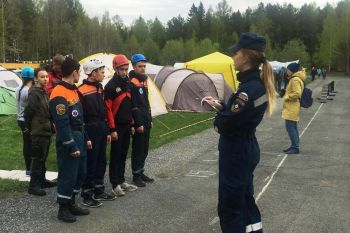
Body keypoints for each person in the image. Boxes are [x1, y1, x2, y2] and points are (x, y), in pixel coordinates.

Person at [203, 32, 276, 233]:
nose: (233, 57)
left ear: (244, 57)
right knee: (244, 200)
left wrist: (219, 118)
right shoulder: (256, 86)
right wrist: (222, 106)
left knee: (230, 206)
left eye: (235, 53)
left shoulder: (247, 90)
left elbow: (226, 124)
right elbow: (240, 115)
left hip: (236, 149)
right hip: (246, 145)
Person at [49, 57, 91, 223]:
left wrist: (86, 138)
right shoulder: (59, 93)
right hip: (69, 138)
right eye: (79, 71)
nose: (80, 74)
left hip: (79, 136)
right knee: (68, 174)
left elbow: (79, 118)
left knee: (80, 173)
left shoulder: (72, 90)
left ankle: (72, 202)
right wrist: (71, 145)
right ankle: (63, 208)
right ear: (74, 72)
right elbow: (62, 123)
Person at [78, 58, 116, 208]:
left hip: (101, 127)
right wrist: (86, 136)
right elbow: (80, 117)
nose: (104, 74)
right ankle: (87, 194)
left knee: (101, 161)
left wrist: (107, 130)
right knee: (90, 162)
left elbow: (104, 111)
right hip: (90, 129)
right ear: (93, 73)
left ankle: (99, 190)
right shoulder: (81, 91)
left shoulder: (100, 87)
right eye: (101, 71)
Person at [105, 54, 138, 196]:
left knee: (124, 154)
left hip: (126, 124)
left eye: (126, 69)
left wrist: (132, 123)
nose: (125, 72)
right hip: (116, 126)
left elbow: (130, 105)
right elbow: (108, 110)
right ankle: (114, 184)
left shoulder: (129, 84)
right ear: (115, 69)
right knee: (116, 155)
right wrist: (112, 129)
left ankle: (122, 179)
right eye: (122, 69)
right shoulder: (110, 86)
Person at [24, 68, 56, 196]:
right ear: (36, 78)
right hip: (38, 130)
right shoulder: (34, 93)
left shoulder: (43, 92)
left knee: (43, 157)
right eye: (42, 77)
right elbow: (29, 112)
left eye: (47, 77)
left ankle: (41, 180)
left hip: (46, 129)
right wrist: (30, 127)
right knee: (37, 158)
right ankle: (33, 185)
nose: (45, 79)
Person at [129, 54, 154, 187]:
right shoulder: (132, 82)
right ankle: (136, 175)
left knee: (145, 148)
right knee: (138, 148)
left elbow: (146, 102)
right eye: (140, 66)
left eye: (144, 66)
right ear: (134, 66)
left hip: (145, 119)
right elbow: (133, 105)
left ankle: (141, 170)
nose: (143, 68)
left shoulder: (144, 80)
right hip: (138, 121)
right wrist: (137, 123)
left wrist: (149, 119)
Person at [282, 62, 305, 155]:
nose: (286, 71)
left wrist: (287, 97)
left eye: (287, 70)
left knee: (291, 128)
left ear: (292, 70)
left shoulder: (295, 80)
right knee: (293, 128)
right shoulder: (294, 79)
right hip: (292, 107)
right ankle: (294, 146)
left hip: (292, 107)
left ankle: (295, 147)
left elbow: (297, 93)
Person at [16, 66, 35, 176]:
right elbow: (30, 109)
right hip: (26, 121)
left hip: (20, 119)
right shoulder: (28, 91)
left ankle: (28, 168)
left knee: (26, 144)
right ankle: (30, 169)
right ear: (32, 78)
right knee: (30, 145)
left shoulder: (18, 89)